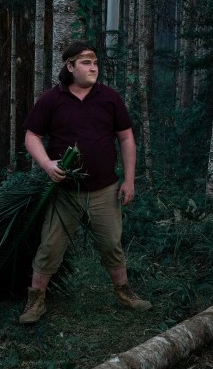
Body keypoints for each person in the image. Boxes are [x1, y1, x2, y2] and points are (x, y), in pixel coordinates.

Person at [19, 41, 152, 324]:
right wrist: (48, 164)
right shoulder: (52, 99)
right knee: (50, 246)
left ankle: (124, 291)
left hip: (105, 189)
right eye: (86, 63)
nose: (93, 68)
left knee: (112, 244)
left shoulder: (109, 98)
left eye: (95, 63)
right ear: (70, 66)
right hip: (65, 191)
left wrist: (129, 180)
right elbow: (32, 137)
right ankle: (36, 299)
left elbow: (126, 138)